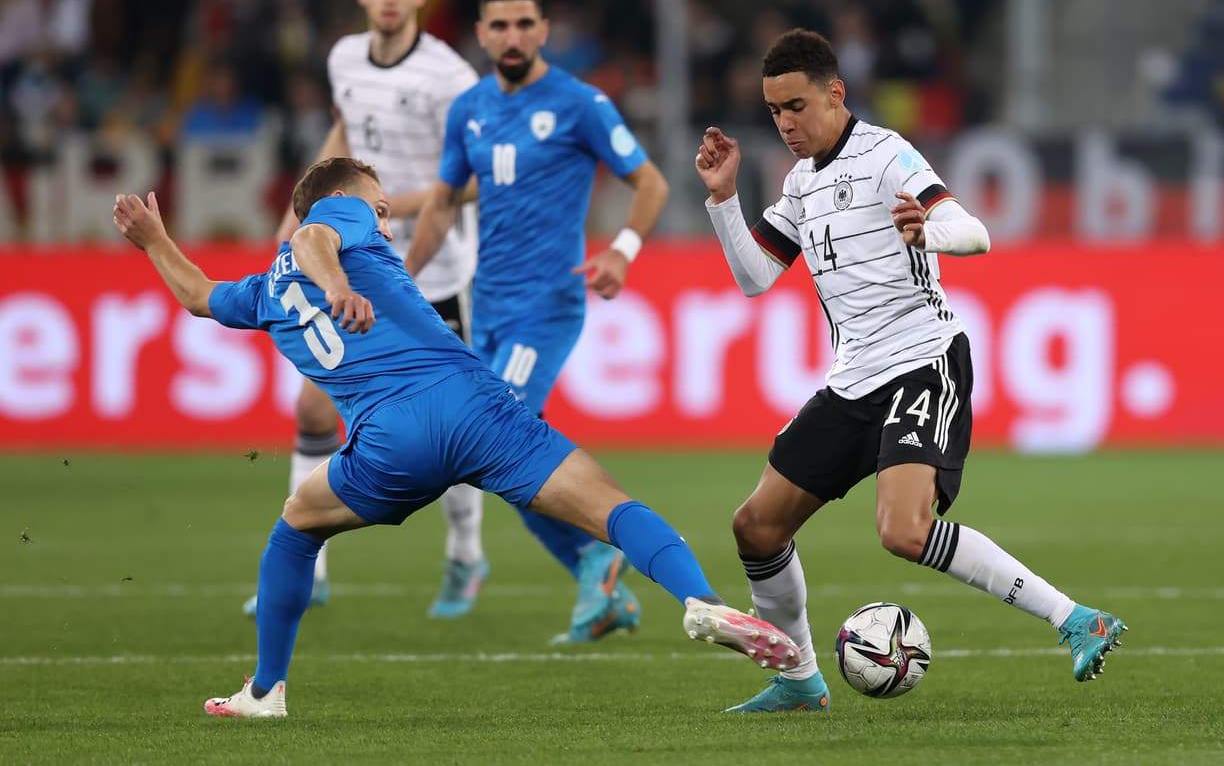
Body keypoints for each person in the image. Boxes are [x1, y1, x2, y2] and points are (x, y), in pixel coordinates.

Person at [110, 157, 801, 718]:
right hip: (476, 406)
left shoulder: (262, 293)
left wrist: (153, 242)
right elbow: (311, 240)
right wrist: (340, 281)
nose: (383, 214)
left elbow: (199, 294)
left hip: (390, 442)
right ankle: (700, 598)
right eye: (377, 203)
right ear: (346, 199)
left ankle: (265, 691)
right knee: (611, 508)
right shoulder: (338, 214)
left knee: (296, 527)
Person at [694, 29, 1128, 713]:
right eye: (775, 109)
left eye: (796, 106)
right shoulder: (801, 184)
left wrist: (930, 231)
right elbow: (755, 279)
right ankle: (799, 679)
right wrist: (723, 201)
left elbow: (973, 231)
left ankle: (1077, 617)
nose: (785, 123)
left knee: (903, 529)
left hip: (923, 362)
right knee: (756, 526)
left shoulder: (886, 153)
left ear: (835, 93)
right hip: (853, 379)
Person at [405, 0, 669, 643]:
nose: (513, 36)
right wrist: (402, 278)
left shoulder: (579, 103)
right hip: (485, 306)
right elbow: (441, 202)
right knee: (490, 460)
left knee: (501, 436)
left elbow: (651, 182)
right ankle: (595, 569)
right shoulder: (469, 109)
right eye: (500, 25)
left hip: (545, 307)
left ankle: (603, 551)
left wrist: (623, 250)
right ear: (482, 33)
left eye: (526, 23)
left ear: (545, 29)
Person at [246, 0, 488, 620]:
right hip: (354, 266)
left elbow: (467, 184)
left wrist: (376, 211)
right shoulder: (343, 58)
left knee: (456, 428)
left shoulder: (448, 78)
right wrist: (305, 211)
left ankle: (466, 554)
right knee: (314, 407)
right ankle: (310, 561)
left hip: (433, 270)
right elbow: (346, 131)